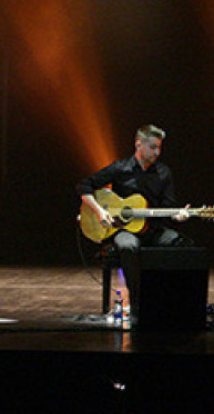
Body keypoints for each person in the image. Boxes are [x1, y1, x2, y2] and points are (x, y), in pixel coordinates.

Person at [76, 124, 192, 318]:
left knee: (183, 244)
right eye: (153, 147)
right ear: (139, 144)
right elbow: (83, 185)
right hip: (124, 230)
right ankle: (138, 305)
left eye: (159, 148)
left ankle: (173, 301)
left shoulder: (164, 173)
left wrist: (178, 216)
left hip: (152, 229)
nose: (157, 152)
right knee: (128, 245)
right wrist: (98, 211)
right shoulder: (120, 168)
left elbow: (169, 206)